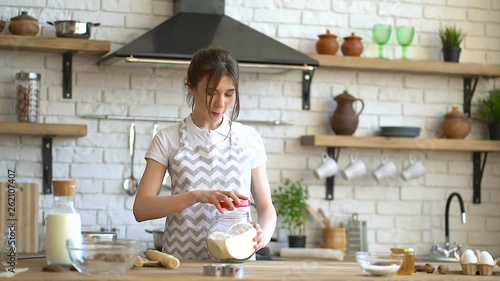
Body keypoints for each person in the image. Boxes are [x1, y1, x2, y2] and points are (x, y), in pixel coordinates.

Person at [133, 47, 277, 260]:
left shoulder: (249, 138)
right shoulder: (167, 139)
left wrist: (263, 234)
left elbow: (266, 207)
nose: (221, 103)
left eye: (229, 94)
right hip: (181, 266)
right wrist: (197, 196)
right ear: (191, 87)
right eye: (211, 93)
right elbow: (142, 208)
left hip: (236, 266)